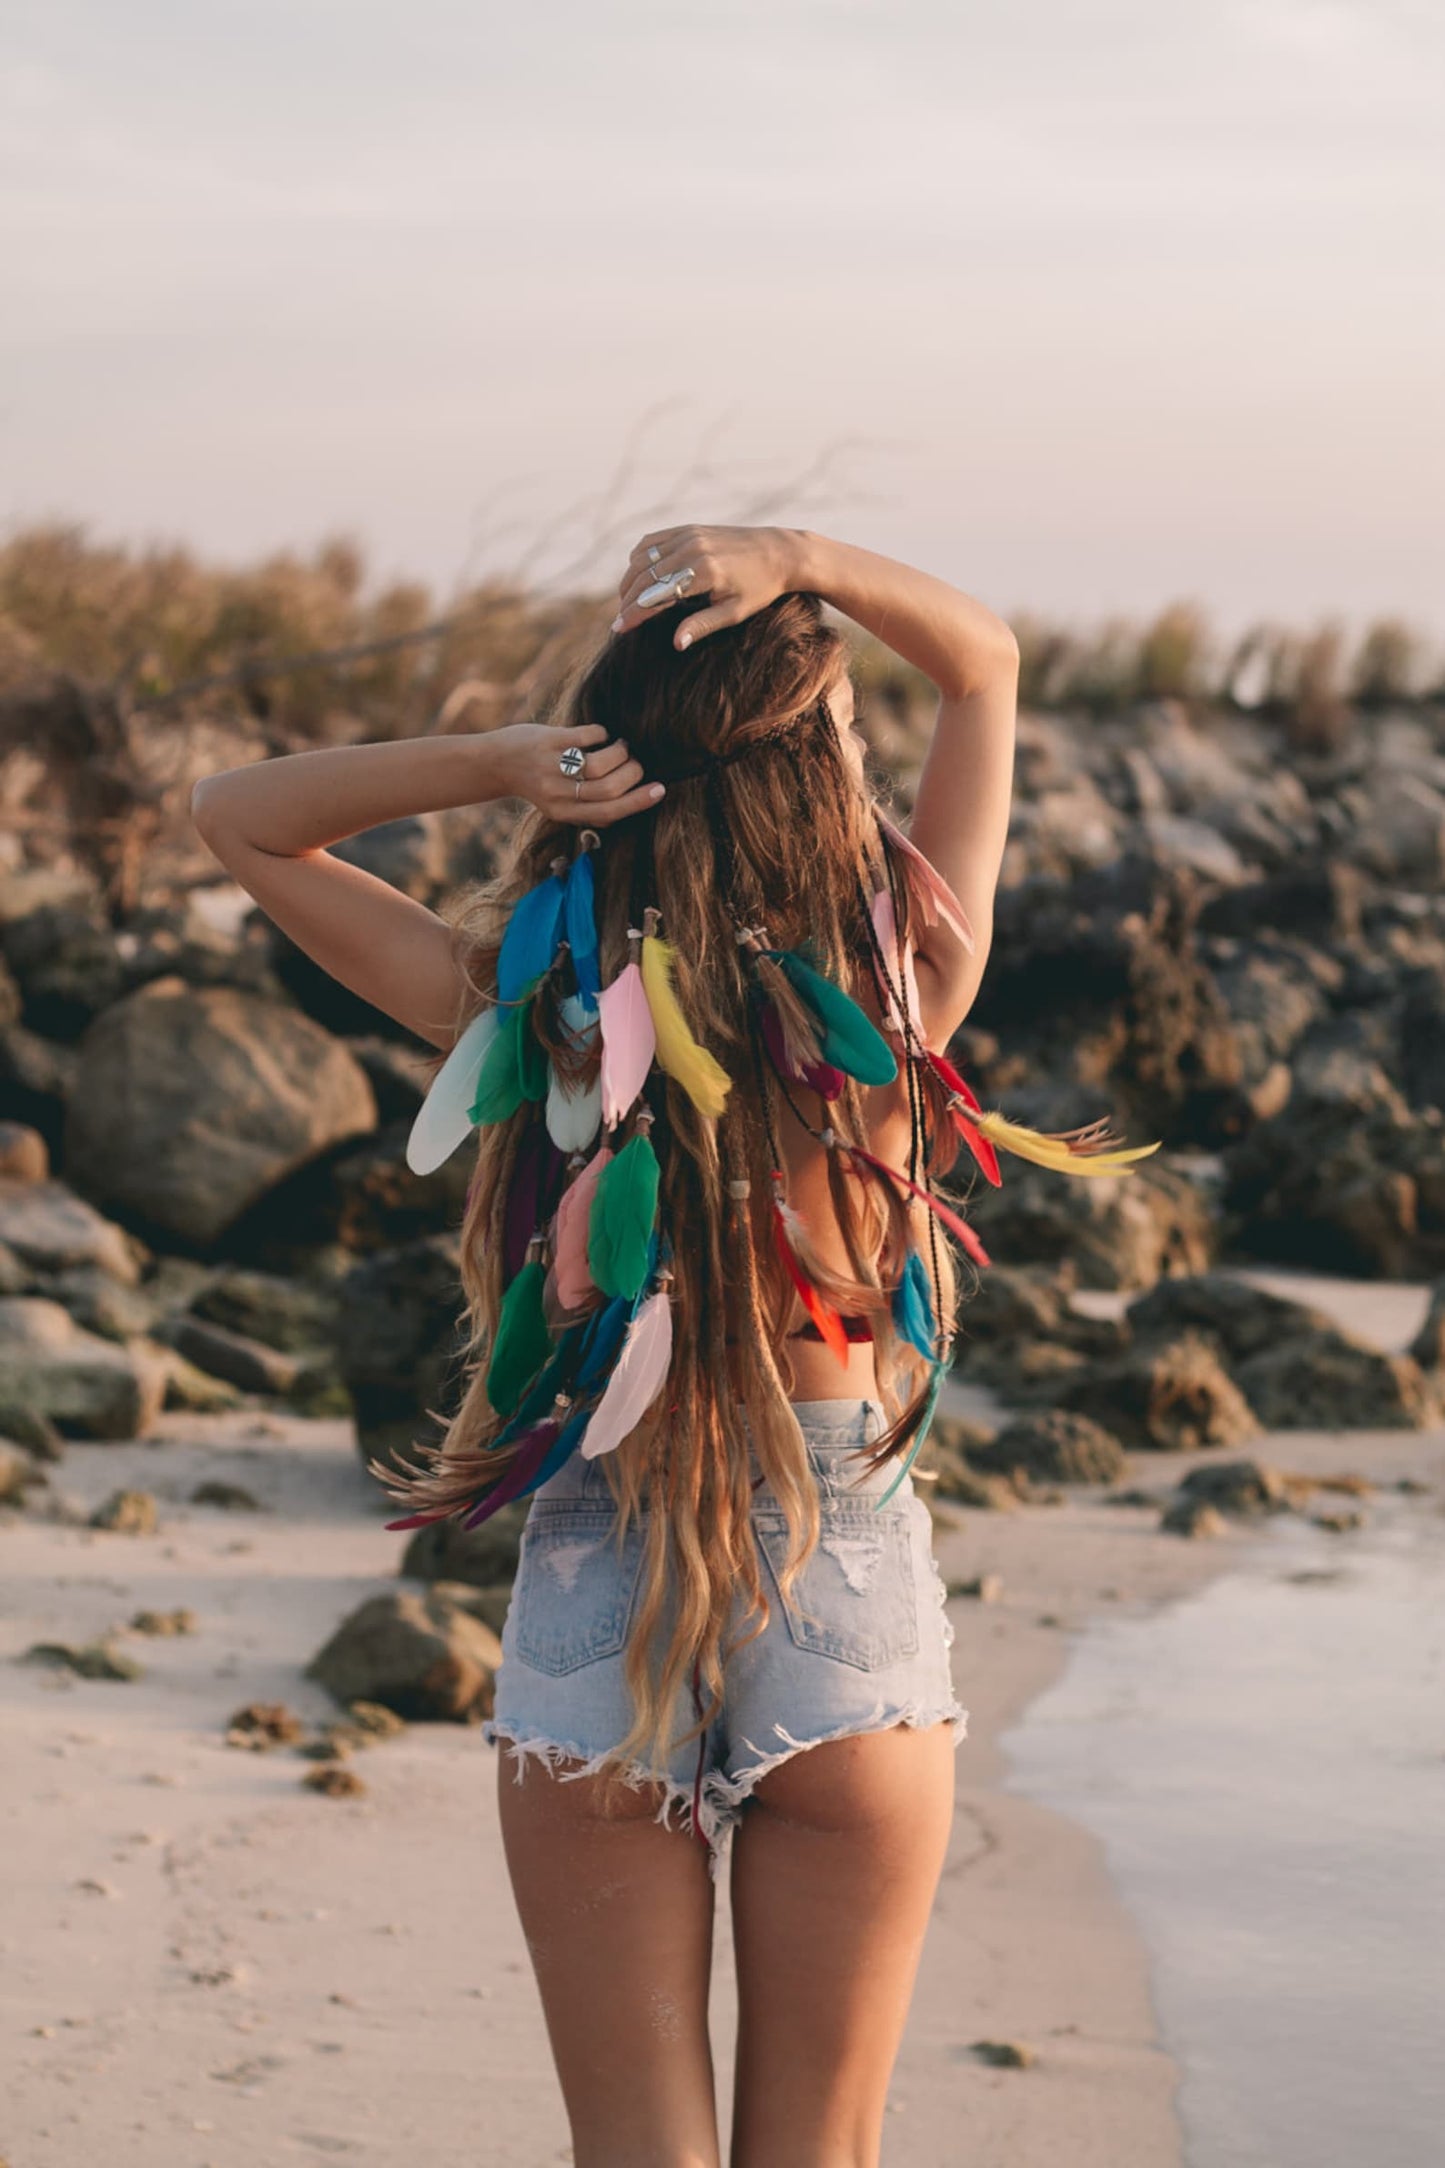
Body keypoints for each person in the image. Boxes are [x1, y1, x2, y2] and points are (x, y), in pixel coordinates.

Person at [192, 524, 1149, 2168]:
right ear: (821, 772)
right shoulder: (896, 991)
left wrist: (510, 761)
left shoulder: (528, 1007)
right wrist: (797, 556)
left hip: (597, 1576)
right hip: (837, 1571)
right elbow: (982, 658)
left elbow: (239, 820)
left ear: (606, 761)